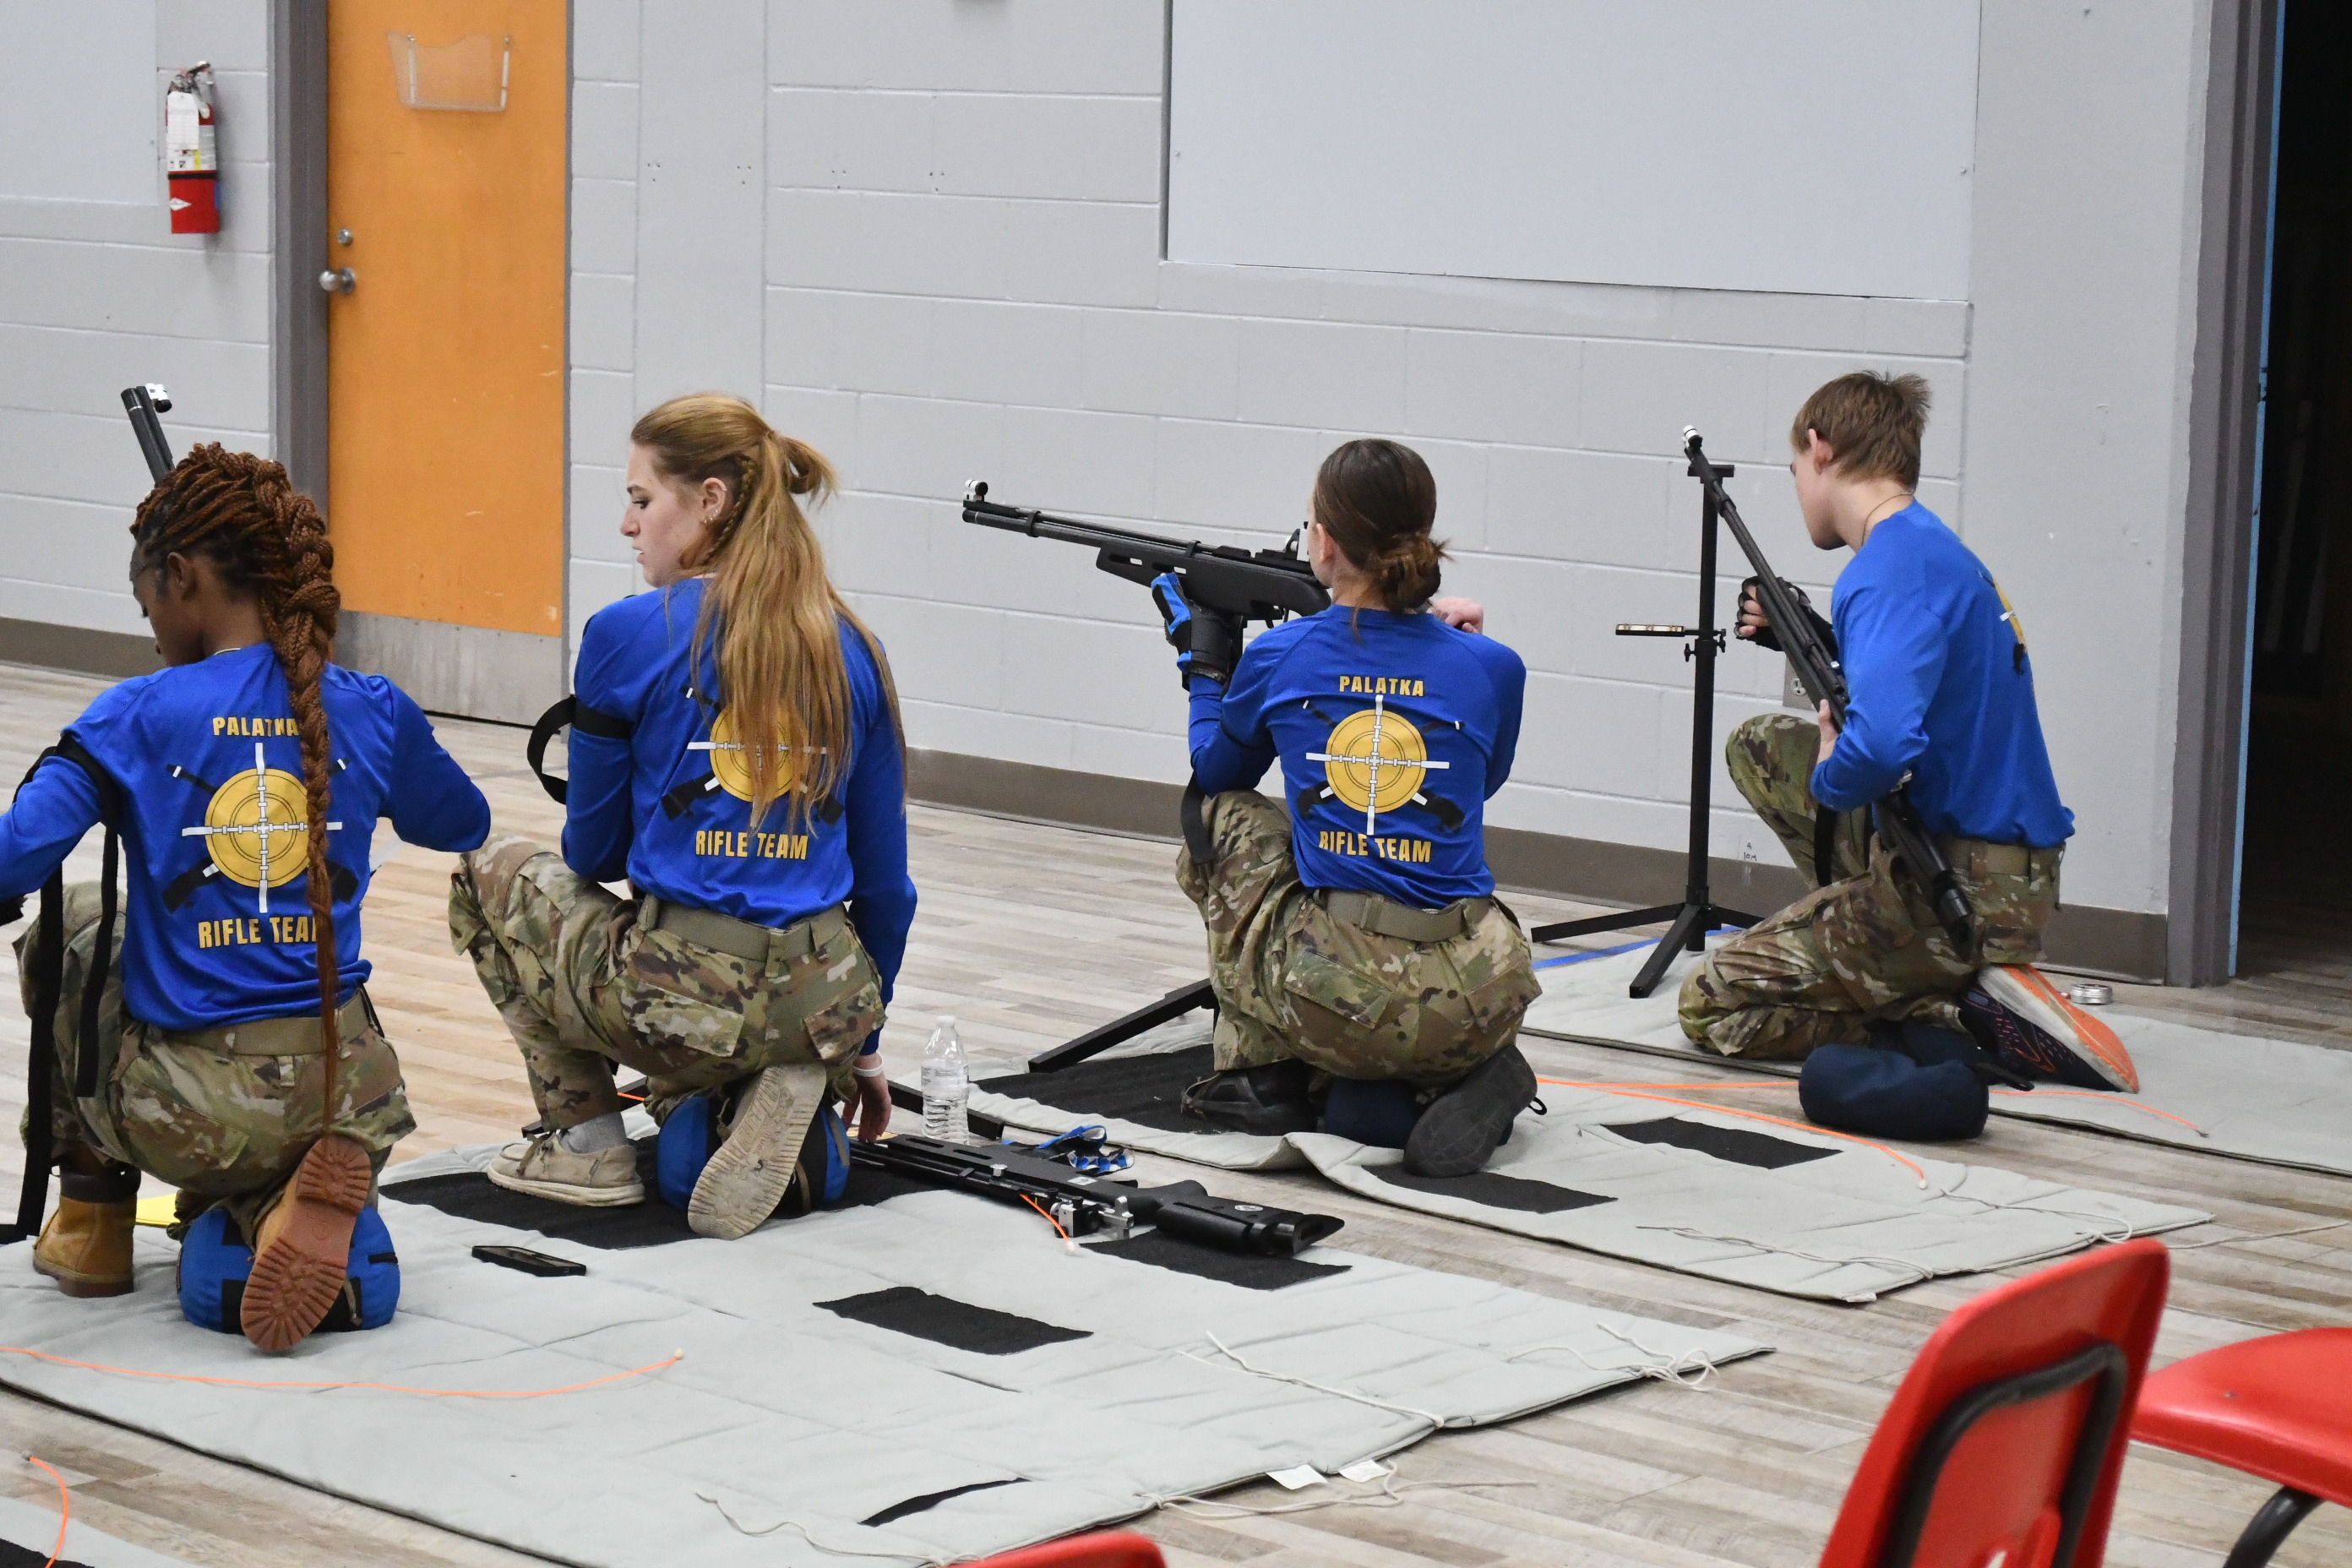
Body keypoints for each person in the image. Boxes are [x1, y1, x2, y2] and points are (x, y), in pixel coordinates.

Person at [3, 444, 490, 1349]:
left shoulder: (138, 712)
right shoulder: (370, 704)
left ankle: (94, 1225)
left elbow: (10, 862)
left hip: (192, 1112)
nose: (149, 625)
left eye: (147, 596)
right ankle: (281, 1197)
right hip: (354, 1090)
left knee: (71, 928)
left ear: (183, 577)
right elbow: (462, 822)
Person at [449, 393, 914, 1239]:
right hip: (828, 992)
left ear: (709, 501)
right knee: (721, 1070)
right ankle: (776, 1075)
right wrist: (864, 1046)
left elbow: (591, 851)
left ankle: (586, 1138)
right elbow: (889, 888)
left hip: (685, 994)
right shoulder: (854, 644)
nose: (629, 525)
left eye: (640, 498)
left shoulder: (627, 633)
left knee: (487, 875)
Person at [1678, 372, 2135, 1092]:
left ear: (1821, 450)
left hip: (1963, 888)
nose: (1799, 487)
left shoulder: (1883, 574)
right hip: (2000, 865)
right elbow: (1919, 698)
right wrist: (1813, 640)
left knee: (1712, 1003)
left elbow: (1884, 745)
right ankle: (1903, 959)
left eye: (1796, 468)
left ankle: (1939, 1010)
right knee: (1763, 745)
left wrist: (1833, 773)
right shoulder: (1931, 551)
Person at [1157, 438, 1541, 1178]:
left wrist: (1206, 667)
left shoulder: (1284, 656)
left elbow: (1216, 771)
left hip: (1356, 1006)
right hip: (1488, 987)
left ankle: (1267, 1074)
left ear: (1323, 541)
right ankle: (1461, 1076)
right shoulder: (1495, 666)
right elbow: (1469, 791)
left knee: (1222, 823)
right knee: (1370, 1105)